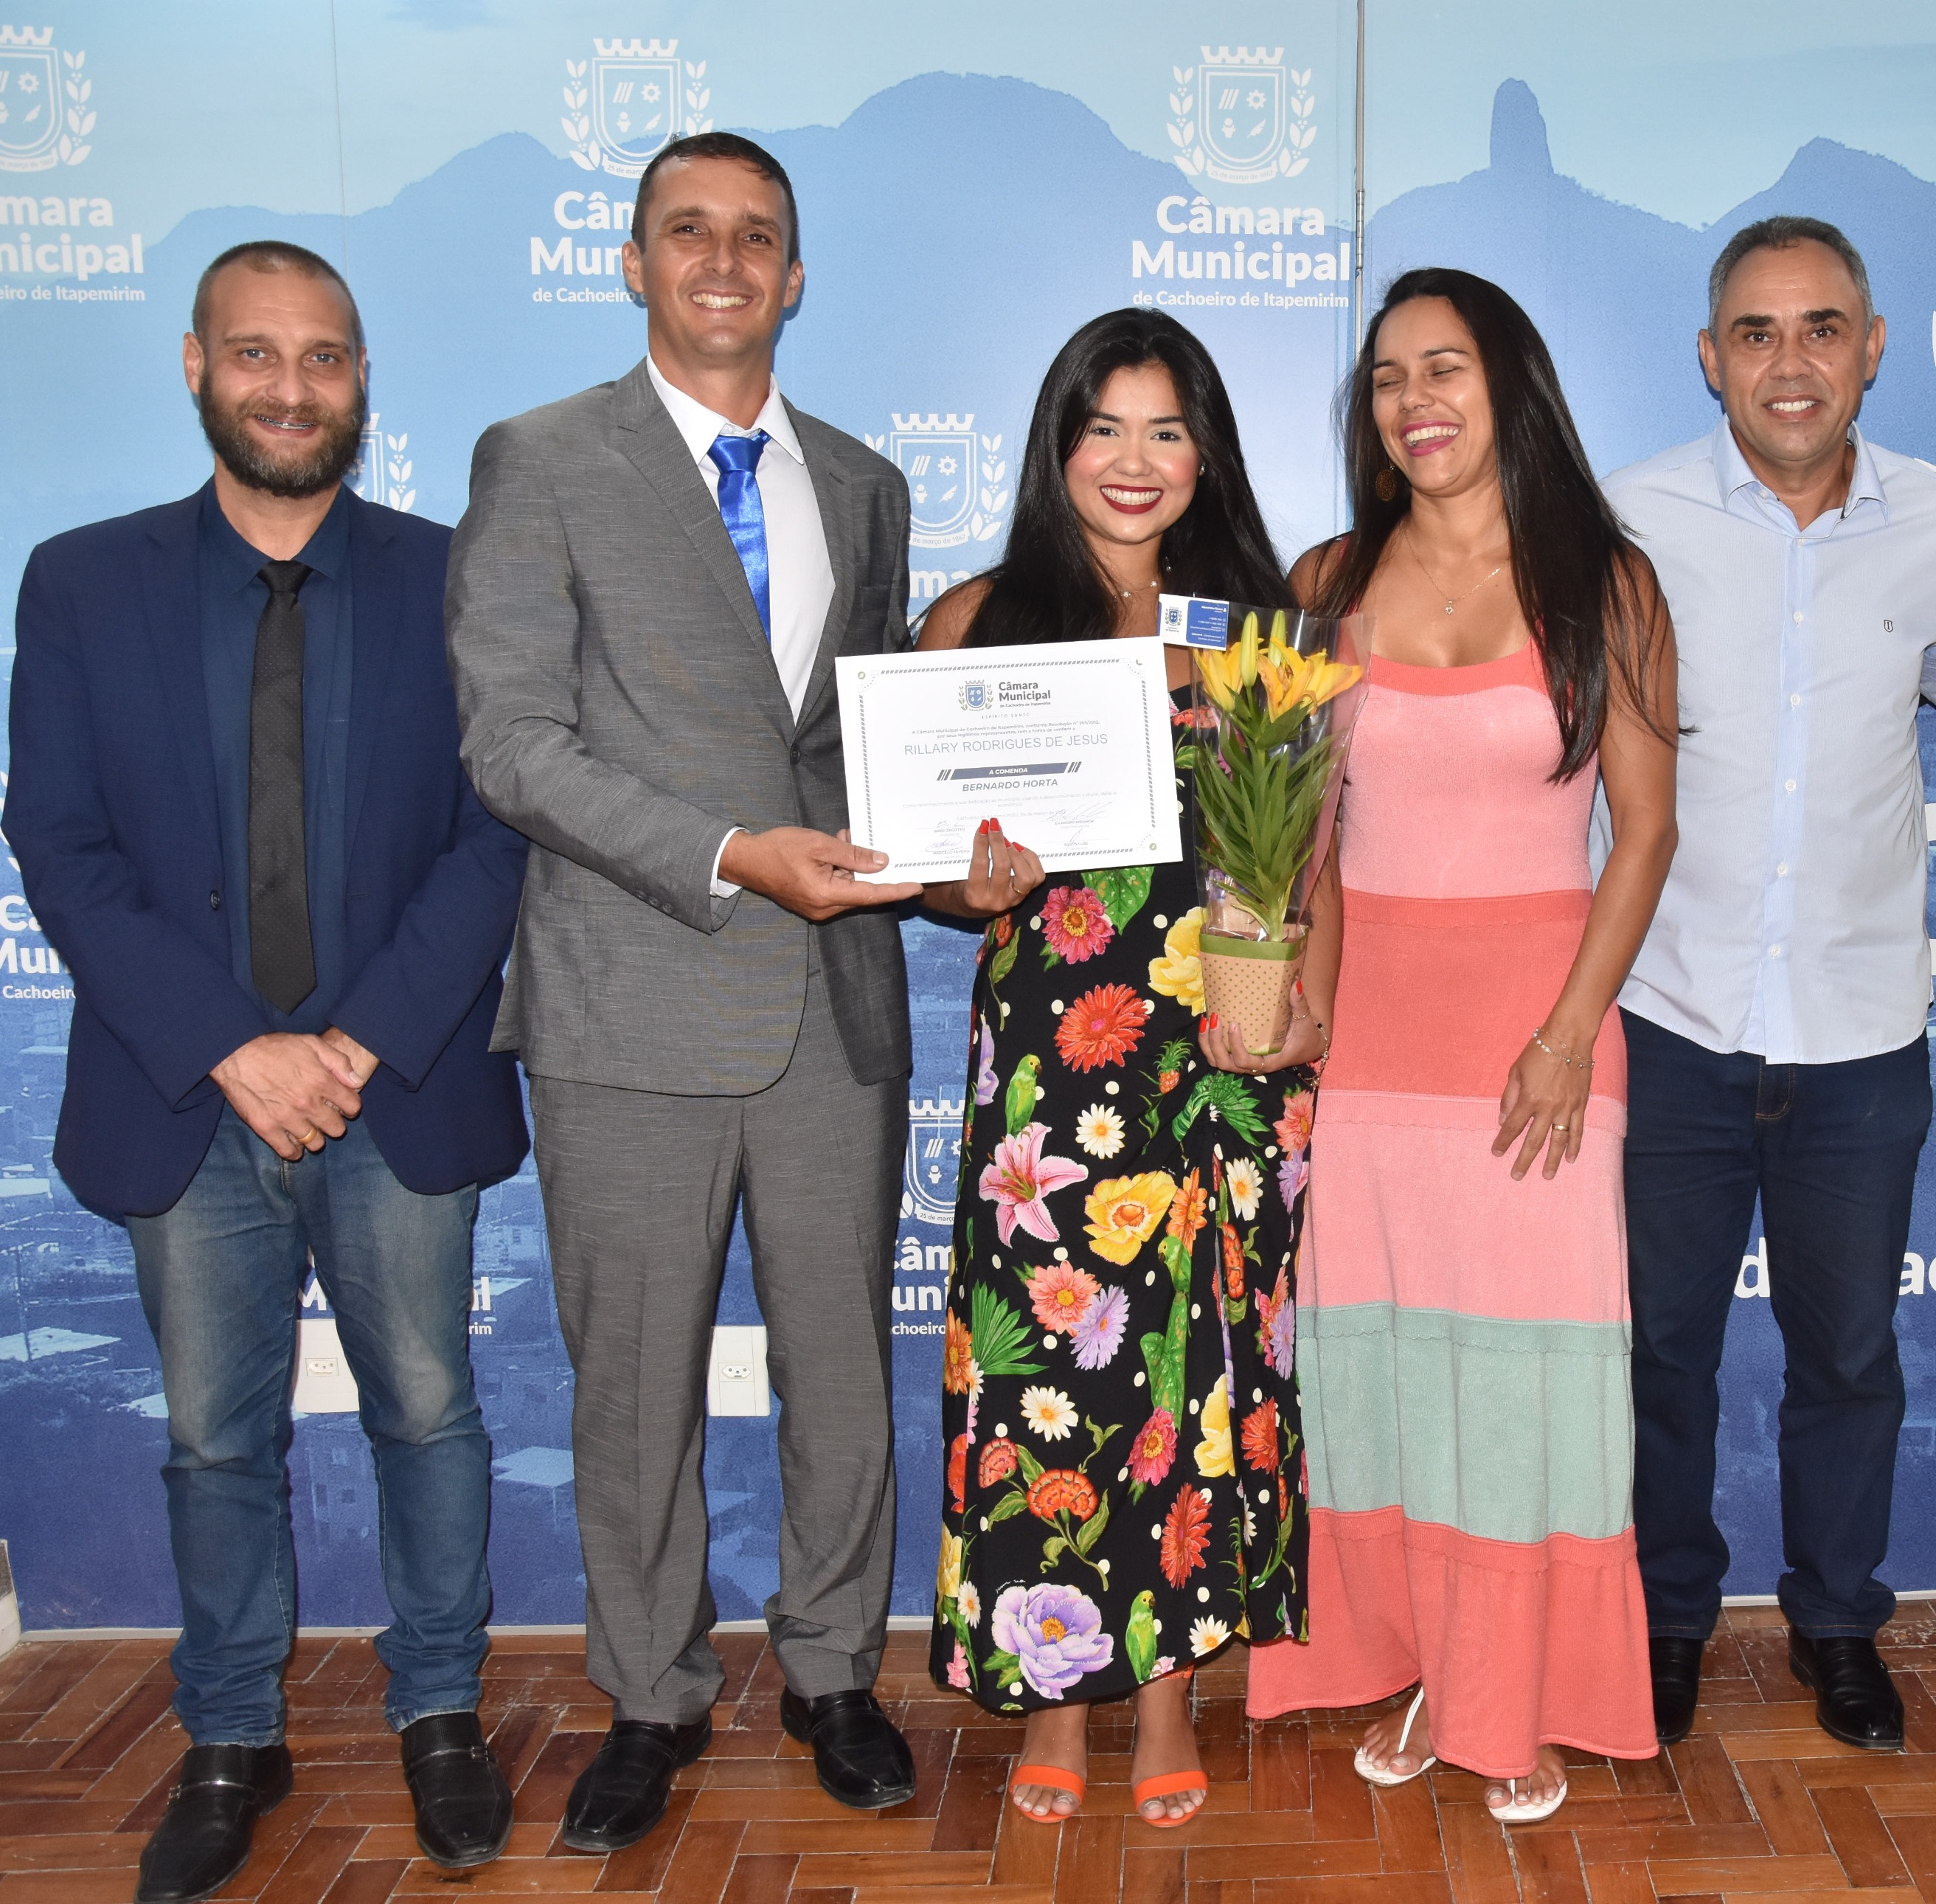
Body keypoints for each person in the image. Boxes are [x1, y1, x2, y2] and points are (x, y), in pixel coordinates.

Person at [5, 242, 530, 1904]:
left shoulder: (456, 578)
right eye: (255, 353)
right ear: (195, 365)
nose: (290, 387)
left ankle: (439, 1708)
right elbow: (58, 838)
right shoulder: (81, 581)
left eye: (323, 357)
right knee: (214, 1441)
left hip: (397, 1084)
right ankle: (232, 1731)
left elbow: (496, 830)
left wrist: (353, 1043)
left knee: (429, 1412)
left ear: (362, 380)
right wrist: (236, 1048)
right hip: (188, 1092)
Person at [445, 131, 923, 1852]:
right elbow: (512, 743)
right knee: (632, 1385)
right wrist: (730, 852)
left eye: (757, 235)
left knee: (840, 1371)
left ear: (796, 276)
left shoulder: (862, 482)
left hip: (833, 1006)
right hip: (629, 1000)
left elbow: (862, 742)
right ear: (635, 262)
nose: (725, 259)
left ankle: (834, 1670)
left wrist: (962, 840)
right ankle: (648, 1693)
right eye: (688, 230)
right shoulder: (539, 460)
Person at [1243, 267, 1677, 1822]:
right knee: (1379, 1367)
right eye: (1385, 377)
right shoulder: (1325, 579)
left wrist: (1567, 1034)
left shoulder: (1606, 582)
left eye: (1444, 367)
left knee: (1521, 1382)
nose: (1412, 400)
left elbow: (1644, 835)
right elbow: (1295, 830)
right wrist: (1292, 1000)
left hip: (1535, 1043)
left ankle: (1518, 1690)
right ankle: (1432, 1663)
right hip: (1366, 1041)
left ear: (1511, 384)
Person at [915, 308, 1313, 1829]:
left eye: (1165, 430)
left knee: (1199, 1374)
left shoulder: (1255, 630)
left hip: (1221, 1051)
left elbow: (1307, 851)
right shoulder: (981, 617)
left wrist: (1292, 997)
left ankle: (1167, 1695)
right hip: (1053, 1065)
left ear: (1205, 451)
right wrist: (971, 880)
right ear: (1058, 445)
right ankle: (1053, 1690)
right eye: (1103, 429)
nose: (1133, 461)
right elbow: (926, 865)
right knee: (1055, 1377)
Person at [1602, 216, 1936, 1752]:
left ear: (1872, 347)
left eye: (1821, 327)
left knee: (1849, 1361)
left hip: (1860, 1035)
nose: (1790, 361)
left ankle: (1838, 1624)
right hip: (1670, 1018)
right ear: (1711, 358)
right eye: (1756, 332)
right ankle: (1663, 1622)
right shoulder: (1627, 517)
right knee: (1662, 1357)